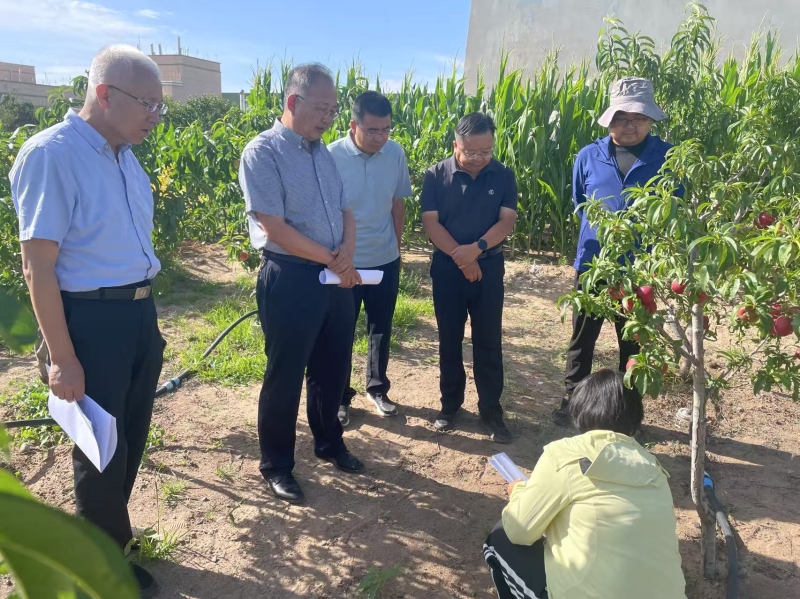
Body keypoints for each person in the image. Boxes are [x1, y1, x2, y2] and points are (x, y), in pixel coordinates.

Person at [9, 45, 167, 598]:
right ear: (104, 94)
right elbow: (38, 267)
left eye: (160, 106)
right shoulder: (52, 154)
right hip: (91, 321)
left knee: (128, 439)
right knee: (99, 452)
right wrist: (63, 356)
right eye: (147, 103)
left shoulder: (126, 158)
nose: (155, 116)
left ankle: (108, 540)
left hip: (137, 315)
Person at [239, 63, 365, 505]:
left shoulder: (323, 153)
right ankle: (277, 465)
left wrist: (346, 252)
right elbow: (274, 227)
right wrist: (334, 259)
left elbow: (345, 211)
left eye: (333, 110)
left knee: (333, 368)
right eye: (322, 109)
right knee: (286, 374)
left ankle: (329, 442)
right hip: (291, 277)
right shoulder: (263, 152)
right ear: (293, 102)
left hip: (334, 275)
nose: (329, 118)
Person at [484, 369, 686, 599]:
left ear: (580, 411)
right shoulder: (654, 468)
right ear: (635, 418)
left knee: (500, 536)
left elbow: (519, 530)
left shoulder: (564, 454)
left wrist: (518, 490)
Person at [553, 76, 672, 427]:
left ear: (650, 119)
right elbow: (581, 202)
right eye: (622, 117)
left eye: (638, 117)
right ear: (609, 119)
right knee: (582, 339)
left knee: (632, 342)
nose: (630, 125)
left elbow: (673, 211)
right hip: (594, 266)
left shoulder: (666, 158)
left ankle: (628, 412)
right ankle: (573, 400)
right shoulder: (589, 156)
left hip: (640, 271)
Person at [421, 112, 517, 444]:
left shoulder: (503, 175)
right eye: (471, 151)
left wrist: (476, 250)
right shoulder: (436, 175)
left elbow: (506, 221)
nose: (478, 158)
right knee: (449, 338)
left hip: (488, 266)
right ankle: (450, 405)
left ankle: (491, 410)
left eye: (486, 151)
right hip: (448, 268)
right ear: (455, 145)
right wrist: (461, 259)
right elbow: (431, 223)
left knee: (488, 339)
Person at [327, 91, 412, 426]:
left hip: (384, 258)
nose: (380, 137)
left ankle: (377, 388)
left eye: (386, 129)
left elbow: (397, 204)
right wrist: (335, 258)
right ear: (354, 125)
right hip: (344, 262)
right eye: (372, 130)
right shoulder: (330, 156)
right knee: (340, 331)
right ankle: (340, 396)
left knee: (381, 327)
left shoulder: (395, 153)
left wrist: (397, 249)